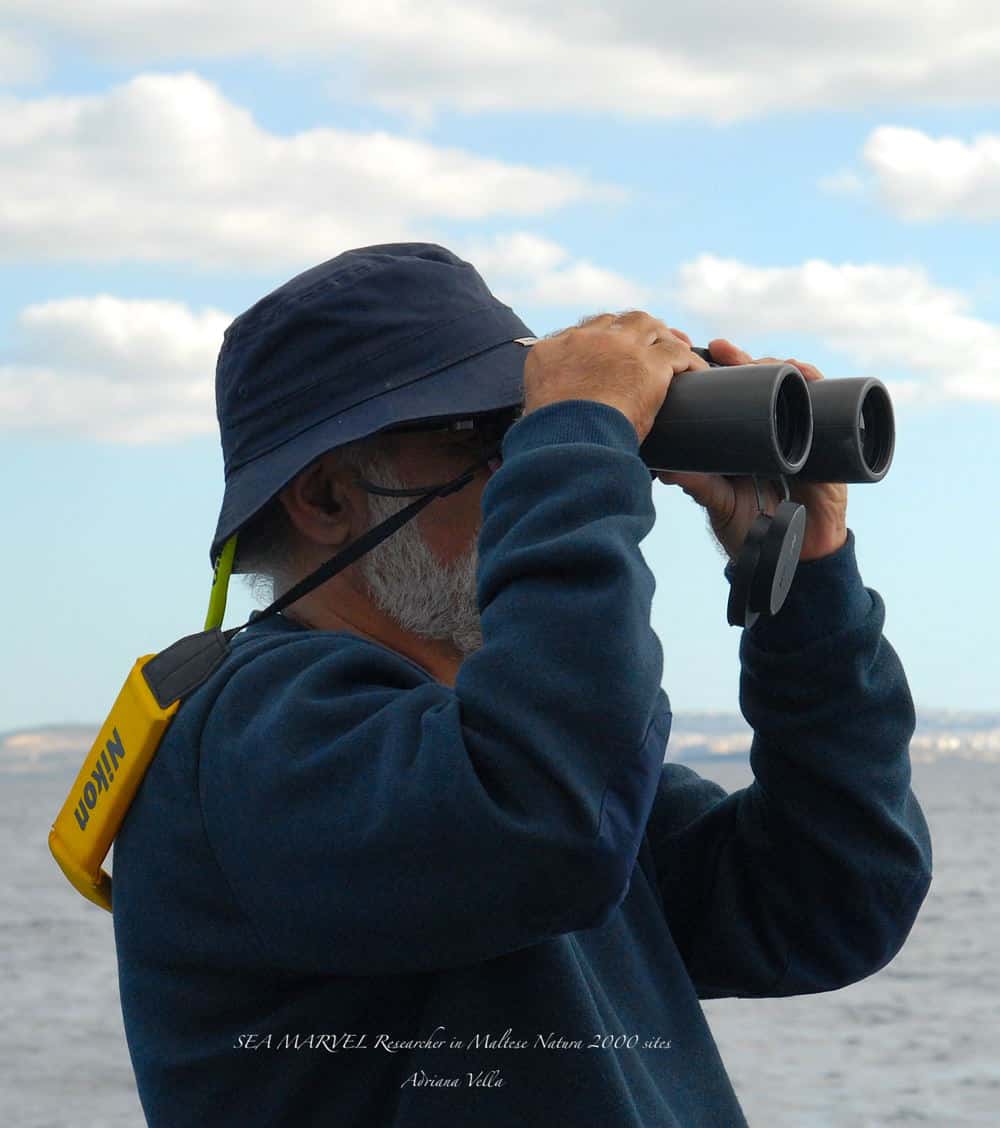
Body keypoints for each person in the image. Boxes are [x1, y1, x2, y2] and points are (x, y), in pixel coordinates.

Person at [111, 242, 932, 1127]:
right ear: (326, 500)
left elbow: (831, 902)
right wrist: (578, 440)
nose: (524, 470)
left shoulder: (493, 753)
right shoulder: (250, 742)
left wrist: (805, 575)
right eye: (487, 438)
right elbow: (544, 818)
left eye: (528, 430)